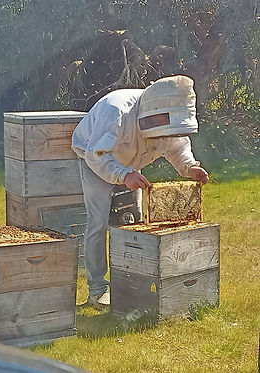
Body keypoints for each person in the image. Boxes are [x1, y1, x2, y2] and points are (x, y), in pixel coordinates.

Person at [72, 75, 209, 308]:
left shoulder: (167, 116)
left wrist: (190, 167)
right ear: (153, 114)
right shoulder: (115, 111)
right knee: (98, 223)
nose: (167, 134)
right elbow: (97, 154)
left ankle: (132, 283)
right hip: (95, 157)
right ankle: (97, 288)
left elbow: (177, 146)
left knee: (132, 223)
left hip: (131, 163)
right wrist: (124, 175)